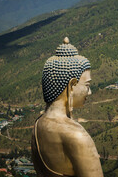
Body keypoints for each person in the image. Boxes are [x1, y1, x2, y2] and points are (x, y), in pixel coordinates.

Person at [31, 37, 103, 177]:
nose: (89, 92)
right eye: (87, 85)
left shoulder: (38, 124)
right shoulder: (76, 136)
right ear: (71, 85)